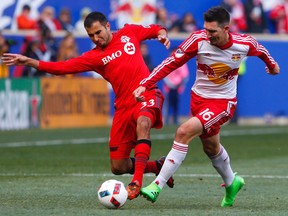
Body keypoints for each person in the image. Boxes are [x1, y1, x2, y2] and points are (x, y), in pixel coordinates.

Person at [1, 11, 174, 200]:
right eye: (91, 35)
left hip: (147, 93)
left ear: (108, 26)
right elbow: (61, 68)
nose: (96, 38)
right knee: (118, 167)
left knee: (143, 124)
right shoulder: (93, 57)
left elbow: (156, 28)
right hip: (124, 107)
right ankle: (158, 166)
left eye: (98, 32)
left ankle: (137, 181)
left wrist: (162, 34)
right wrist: (29, 61)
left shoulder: (129, 33)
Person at [133, 6, 280, 207]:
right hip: (199, 100)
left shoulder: (243, 44)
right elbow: (171, 62)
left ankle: (157, 185)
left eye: (212, 31)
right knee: (211, 147)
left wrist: (272, 66)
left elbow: (261, 50)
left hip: (223, 103)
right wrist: (145, 84)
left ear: (226, 28)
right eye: (206, 29)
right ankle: (232, 182)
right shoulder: (198, 40)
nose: (207, 35)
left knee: (183, 131)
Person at [163, 48, 189, 125]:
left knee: (176, 106)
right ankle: (166, 121)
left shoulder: (182, 63)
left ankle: (175, 120)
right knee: (167, 105)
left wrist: (179, 85)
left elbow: (185, 76)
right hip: (168, 88)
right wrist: (171, 84)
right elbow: (164, 75)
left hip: (178, 88)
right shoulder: (167, 62)